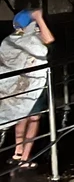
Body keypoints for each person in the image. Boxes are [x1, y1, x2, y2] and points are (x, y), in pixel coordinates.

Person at [0, 10, 54, 169]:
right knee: (33, 119)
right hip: (34, 84)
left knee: (21, 116)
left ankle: (18, 152)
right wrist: (39, 17)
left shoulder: (9, 40)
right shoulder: (33, 40)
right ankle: (25, 157)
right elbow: (49, 39)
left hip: (16, 85)